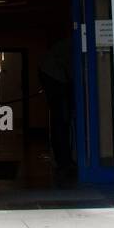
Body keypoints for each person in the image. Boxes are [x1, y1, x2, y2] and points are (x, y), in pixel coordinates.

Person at [39, 33, 76, 178]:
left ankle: (63, 161)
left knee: (59, 121)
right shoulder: (72, 46)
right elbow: (71, 72)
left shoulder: (64, 46)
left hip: (53, 78)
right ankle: (64, 162)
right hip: (56, 80)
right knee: (61, 122)